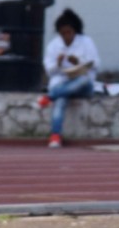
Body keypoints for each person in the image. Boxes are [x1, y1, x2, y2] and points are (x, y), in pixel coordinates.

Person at [36, 9, 100, 148]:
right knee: (60, 100)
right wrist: (58, 64)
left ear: (75, 31)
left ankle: (49, 97)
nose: (66, 36)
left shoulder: (86, 42)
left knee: (83, 80)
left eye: (69, 32)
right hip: (62, 84)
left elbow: (95, 64)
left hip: (83, 86)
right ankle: (55, 136)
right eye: (63, 33)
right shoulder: (54, 45)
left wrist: (78, 62)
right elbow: (49, 71)